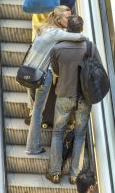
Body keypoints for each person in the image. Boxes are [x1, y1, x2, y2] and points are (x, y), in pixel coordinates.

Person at [46, 15, 103, 184]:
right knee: (79, 135)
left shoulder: (58, 48)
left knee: (58, 132)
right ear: (81, 28)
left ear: (68, 28)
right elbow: (98, 68)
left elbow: (55, 69)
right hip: (84, 98)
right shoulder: (90, 47)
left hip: (64, 94)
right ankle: (74, 175)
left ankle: (55, 172)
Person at [25, 6, 87, 155]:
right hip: (41, 76)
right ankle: (32, 147)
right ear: (59, 19)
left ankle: (32, 145)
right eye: (68, 18)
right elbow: (80, 38)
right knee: (38, 112)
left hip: (28, 73)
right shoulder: (56, 33)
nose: (70, 20)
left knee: (35, 110)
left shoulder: (44, 28)